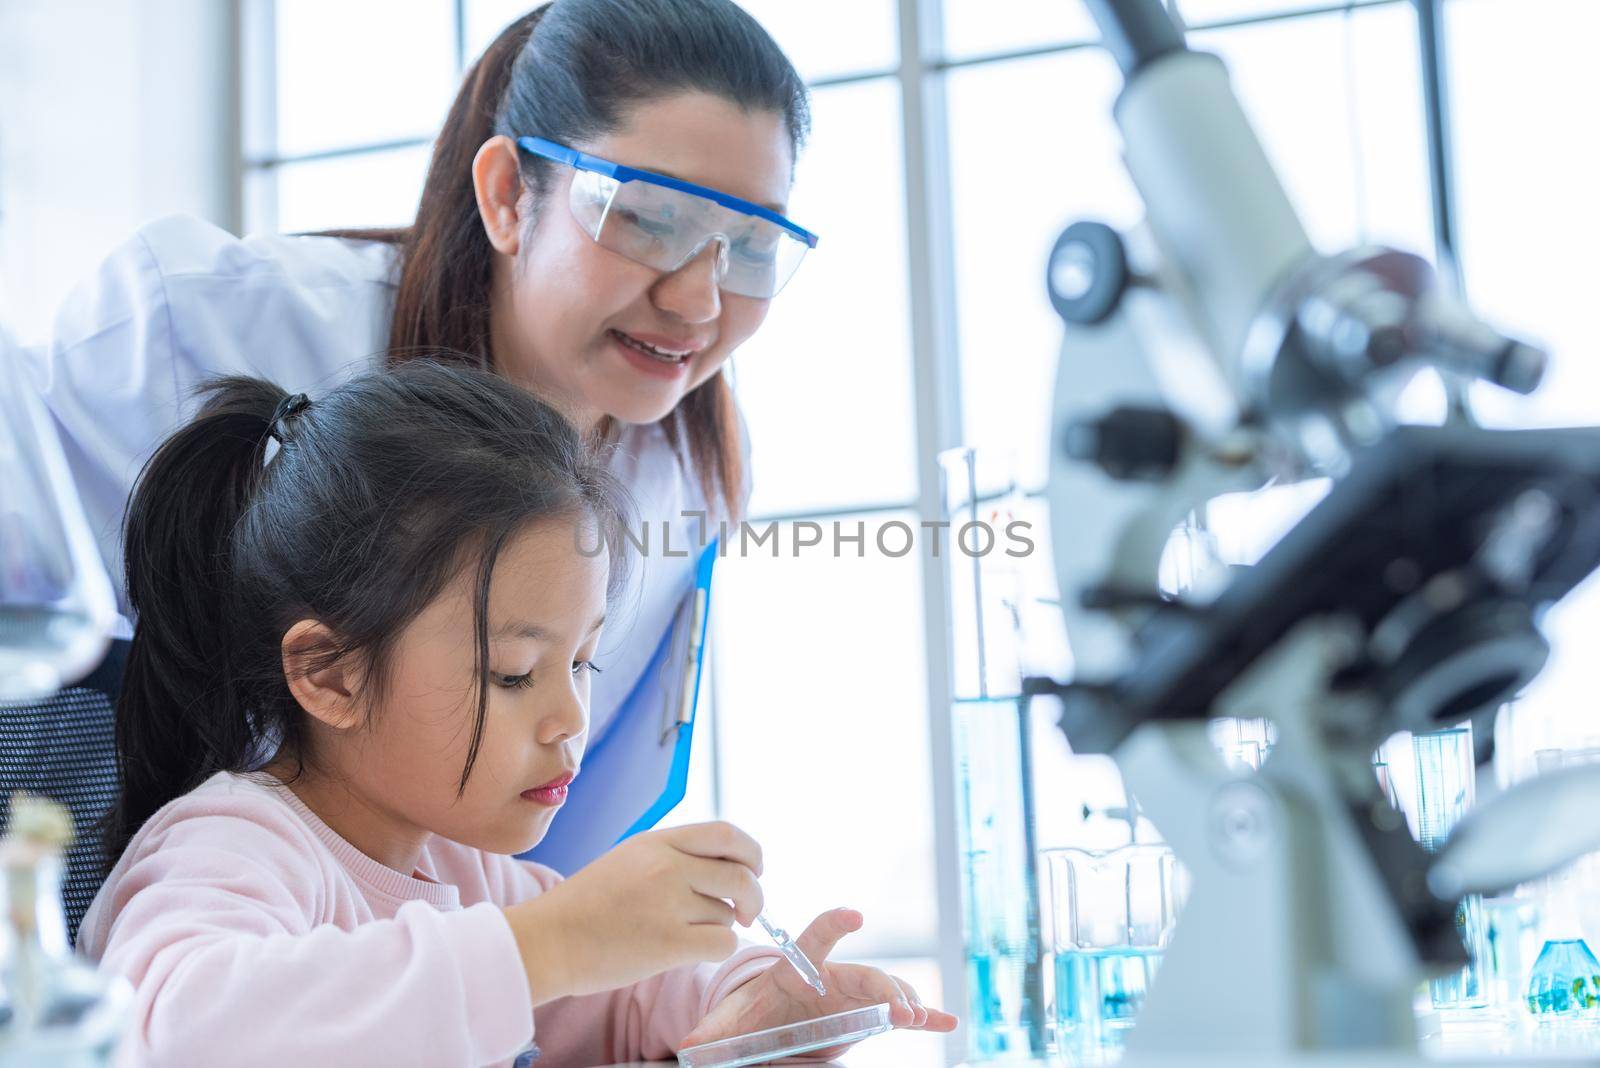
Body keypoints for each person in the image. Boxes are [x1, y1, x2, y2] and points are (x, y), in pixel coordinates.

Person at [19, 0, 817, 879]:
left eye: (751, 245)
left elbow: (564, 833)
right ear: (510, 195)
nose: (699, 302)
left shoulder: (681, 472)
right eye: (650, 218)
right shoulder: (210, 324)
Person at [80, 359, 955, 1066]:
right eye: (512, 674)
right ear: (331, 675)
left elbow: (631, 998)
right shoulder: (230, 843)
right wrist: (548, 944)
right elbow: (172, 1034)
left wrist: (759, 1001)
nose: (568, 716)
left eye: (581, 661)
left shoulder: (465, 868)